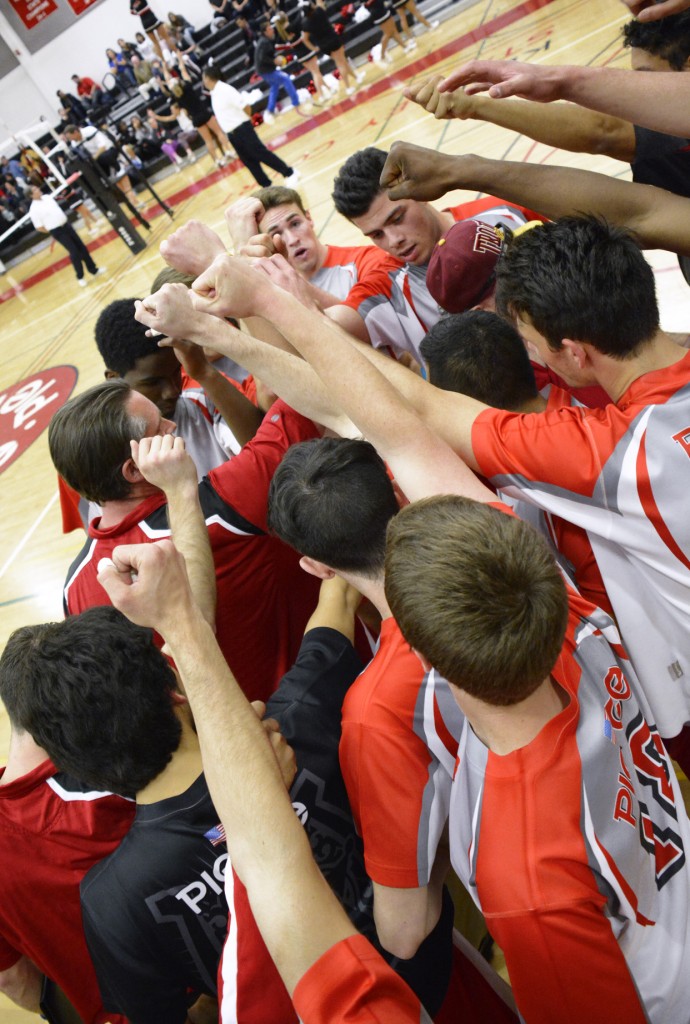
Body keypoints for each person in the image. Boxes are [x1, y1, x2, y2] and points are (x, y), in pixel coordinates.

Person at [183, 243, 690, 1024]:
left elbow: (400, 431)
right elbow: (402, 432)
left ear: (411, 648)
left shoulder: (522, 870)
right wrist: (269, 309)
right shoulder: (570, 618)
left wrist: (253, 321)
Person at [98, 537, 434, 1023]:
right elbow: (336, 604)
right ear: (174, 690)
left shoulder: (112, 899)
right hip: (426, 968)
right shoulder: (299, 717)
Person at [48, 378, 322, 703]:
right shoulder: (224, 506)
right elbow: (302, 392)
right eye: (159, 428)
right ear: (135, 470)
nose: (173, 424)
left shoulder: (75, 590)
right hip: (328, 691)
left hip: (232, 738)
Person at [331, 146, 544, 359]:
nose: (394, 240)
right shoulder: (387, 289)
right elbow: (328, 327)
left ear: (418, 190)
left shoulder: (505, 211)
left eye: (397, 219)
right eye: (377, 235)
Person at [224, 185, 403, 341]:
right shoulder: (271, 292)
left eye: (295, 224)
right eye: (276, 234)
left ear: (309, 218)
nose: (292, 239)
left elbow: (366, 330)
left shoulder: (369, 261)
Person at [202, 63, 299, 188]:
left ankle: (290, 173)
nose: (203, 82)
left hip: (242, 129)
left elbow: (246, 107)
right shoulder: (214, 93)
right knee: (249, 161)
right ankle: (266, 186)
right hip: (232, 134)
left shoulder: (225, 89)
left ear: (209, 78)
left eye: (204, 78)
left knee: (261, 153)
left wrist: (247, 121)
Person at [28, 186, 105, 288]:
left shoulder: (47, 197)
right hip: (57, 231)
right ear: (31, 195)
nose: (38, 190)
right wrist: (51, 229)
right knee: (74, 252)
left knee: (81, 247)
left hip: (66, 225)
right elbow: (39, 227)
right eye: (34, 190)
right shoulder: (33, 209)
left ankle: (94, 270)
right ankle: (80, 277)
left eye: (36, 188)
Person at [63, 124, 141, 208]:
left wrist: (93, 158)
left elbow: (103, 147)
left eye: (70, 137)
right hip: (98, 162)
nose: (70, 140)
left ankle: (133, 200)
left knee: (114, 169)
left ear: (75, 132)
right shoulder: (74, 143)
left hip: (109, 153)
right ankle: (129, 201)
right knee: (101, 177)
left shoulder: (89, 130)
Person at [300, 0, 364, 96]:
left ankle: (356, 77)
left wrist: (314, 48)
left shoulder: (306, 23)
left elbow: (304, 39)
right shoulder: (319, 11)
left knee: (342, 61)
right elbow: (320, 2)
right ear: (311, 7)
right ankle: (348, 87)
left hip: (323, 46)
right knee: (341, 63)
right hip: (332, 40)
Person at [255, 19, 307, 123]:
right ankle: (296, 102)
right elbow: (262, 58)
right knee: (285, 78)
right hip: (265, 70)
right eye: (269, 28)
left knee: (274, 86)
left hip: (264, 69)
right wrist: (274, 61)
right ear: (265, 32)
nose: (272, 29)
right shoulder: (264, 42)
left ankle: (270, 110)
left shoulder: (266, 40)